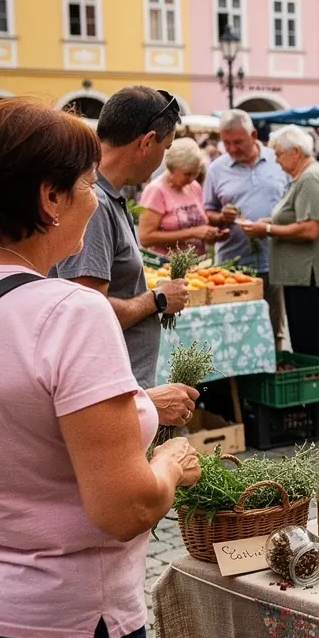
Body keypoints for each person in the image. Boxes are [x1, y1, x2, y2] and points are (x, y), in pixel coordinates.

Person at [0, 98, 202, 638]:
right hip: (69, 631)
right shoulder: (66, 313)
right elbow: (125, 506)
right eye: (84, 186)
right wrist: (170, 464)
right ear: (48, 198)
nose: (94, 201)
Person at [54, 88, 198, 413]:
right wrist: (158, 299)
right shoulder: (95, 203)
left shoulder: (104, 196)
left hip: (115, 390)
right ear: (147, 142)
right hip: (107, 397)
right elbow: (88, 312)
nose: (163, 158)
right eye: (166, 147)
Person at [238, 125, 319, 375]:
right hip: (303, 273)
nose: (276, 160)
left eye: (278, 154)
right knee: (308, 337)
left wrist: (266, 231)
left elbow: (310, 229)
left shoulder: (311, 178)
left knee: (311, 339)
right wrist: (268, 222)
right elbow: (295, 218)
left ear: (295, 152)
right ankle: (318, 393)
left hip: (310, 274)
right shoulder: (305, 176)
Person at [203, 109, 289, 341]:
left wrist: (272, 224)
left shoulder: (278, 159)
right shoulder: (216, 168)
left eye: (238, 142)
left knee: (273, 327)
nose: (232, 149)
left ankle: (273, 371)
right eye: (226, 142)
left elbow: (294, 206)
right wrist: (221, 217)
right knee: (233, 328)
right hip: (232, 262)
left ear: (253, 135)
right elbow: (207, 211)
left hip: (275, 259)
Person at [137, 137, 224, 256]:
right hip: (167, 267)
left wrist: (211, 233)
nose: (192, 178)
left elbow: (199, 223)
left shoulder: (194, 187)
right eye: (187, 174)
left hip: (198, 266)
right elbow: (145, 238)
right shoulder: (155, 191)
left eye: (196, 173)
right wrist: (192, 233)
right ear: (172, 168)